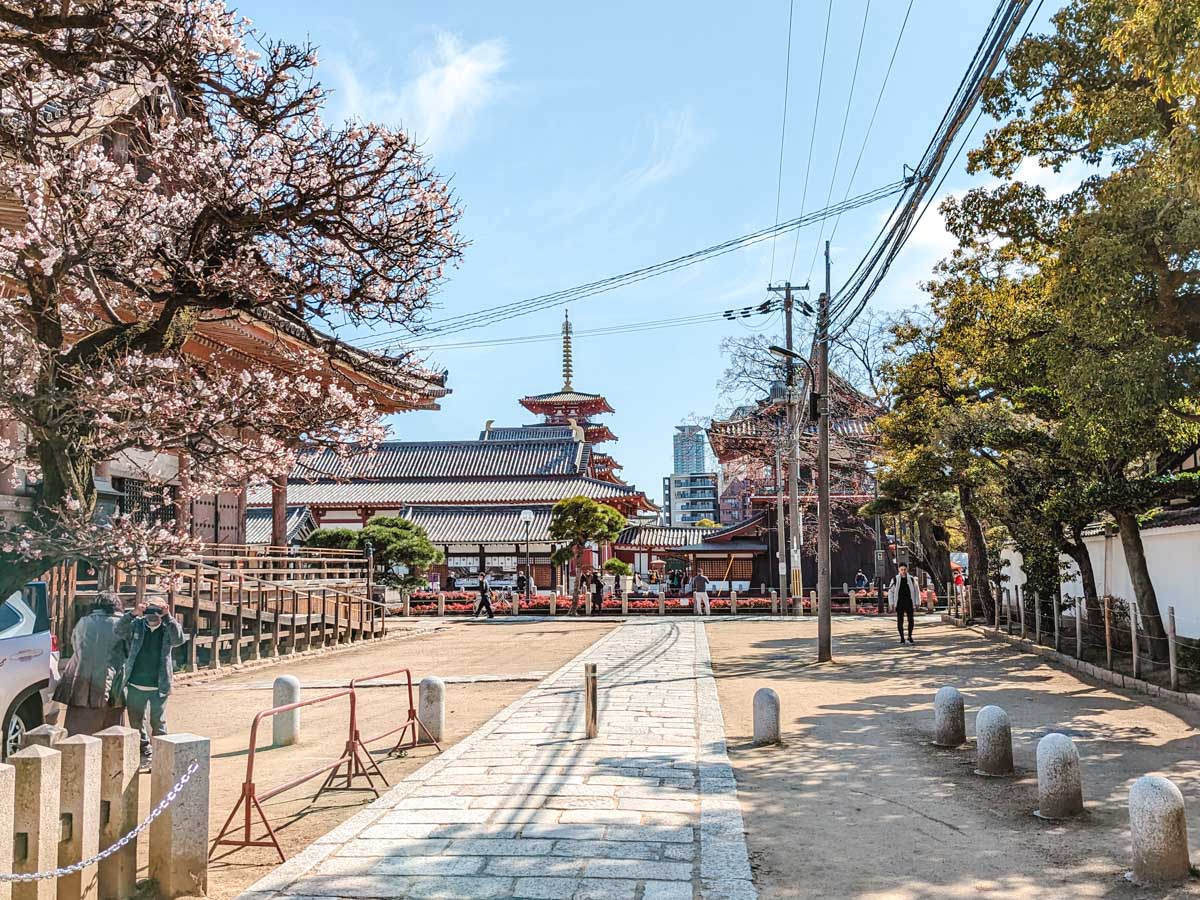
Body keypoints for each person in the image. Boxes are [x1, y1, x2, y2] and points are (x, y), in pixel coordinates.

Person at [116, 600, 186, 767]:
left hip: (159, 683)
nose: (152, 615)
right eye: (150, 610)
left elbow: (179, 640)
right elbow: (118, 630)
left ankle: (163, 756)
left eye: (156, 611)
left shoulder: (167, 627)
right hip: (135, 682)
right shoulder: (138, 625)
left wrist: (168, 616)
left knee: (158, 722)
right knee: (136, 721)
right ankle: (144, 751)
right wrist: (133, 614)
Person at [54, 591, 127, 736]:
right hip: (112, 680)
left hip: (80, 677)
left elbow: (75, 644)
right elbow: (128, 650)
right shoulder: (123, 623)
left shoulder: (83, 621)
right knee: (111, 731)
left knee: (77, 731)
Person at [887, 564, 921, 645]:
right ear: (899, 570)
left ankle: (910, 636)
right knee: (900, 620)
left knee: (911, 620)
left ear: (907, 570)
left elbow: (917, 591)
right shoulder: (895, 579)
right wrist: (891, 603)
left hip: (909, 601)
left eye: (904, 569)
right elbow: (890, 592)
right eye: (901, 569)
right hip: (899, 602)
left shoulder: (912, 579)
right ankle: (902, 637)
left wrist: (917, 603)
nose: (903, 571)